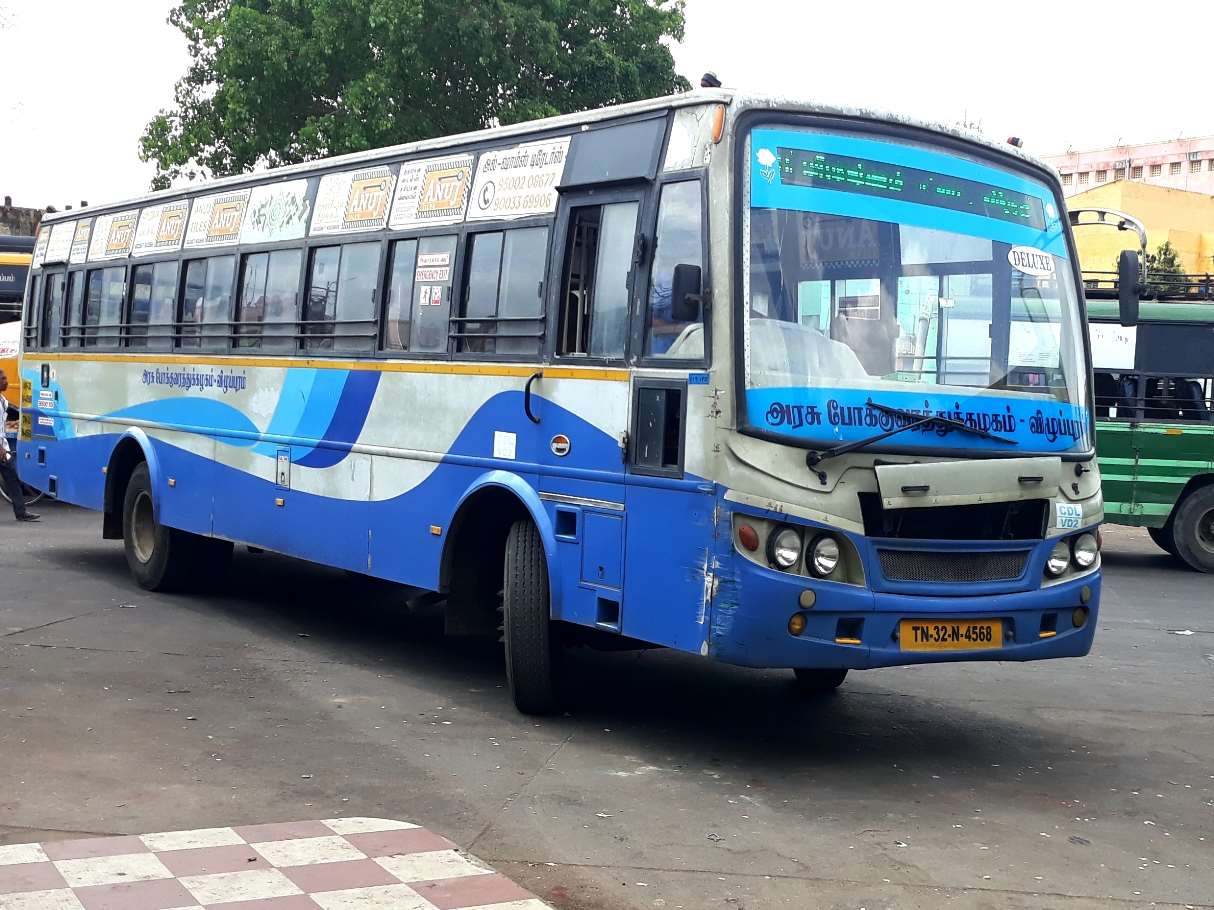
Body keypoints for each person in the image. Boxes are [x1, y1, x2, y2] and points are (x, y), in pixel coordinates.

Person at [0, 369, 39, 522]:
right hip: (1, 449)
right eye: (3, 379)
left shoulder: (2, 400)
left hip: (3, 449)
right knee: (12, 478)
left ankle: (21, 513)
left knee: (13, 479)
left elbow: (13, 409)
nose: (7, 382)